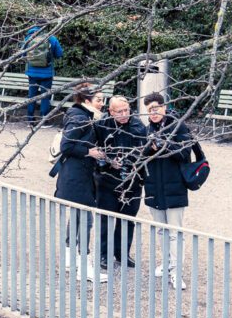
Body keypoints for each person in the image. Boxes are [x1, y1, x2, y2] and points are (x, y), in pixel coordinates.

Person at [54, 83, 108, 282]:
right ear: (87, 100)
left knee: (78, 216)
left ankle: (71, 260)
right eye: (99, 100)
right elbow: (66, 146)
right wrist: (89, 152)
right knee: (86, 219)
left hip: (75, 176)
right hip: (78, 176)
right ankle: (84, 268)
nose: (102, 104)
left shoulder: (79, 115)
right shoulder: (80, 117)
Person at [142, 92, 195, 289]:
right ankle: (167, 264)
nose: (153, 113)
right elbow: (141, 156)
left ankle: (176, 271)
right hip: (154, 186)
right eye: (149, 110)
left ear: (164, 107)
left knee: (175, 232)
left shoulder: (178, 126)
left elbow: (185, 153)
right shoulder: (146, 130)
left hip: (174, 187)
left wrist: (163, 145)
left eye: (156, 109)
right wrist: (149, 147)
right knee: (161, 232)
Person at [93, 96, 146, 269]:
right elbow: (94, 149)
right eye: (120, 111)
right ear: (110, 111)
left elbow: (143, 152)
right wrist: (108, 160)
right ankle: (103, 254)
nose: (124, 114)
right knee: (106, 219)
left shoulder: (138, 126)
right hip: (107, 180)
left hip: (132, 181)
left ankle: (122, 253)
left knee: (128, 219)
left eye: (127, 110)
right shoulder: (101, 125)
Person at [22, 18, 64, 127]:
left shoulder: (29, 37)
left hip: (31, 72)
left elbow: (23, 54)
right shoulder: (51, 38)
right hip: (47, 73)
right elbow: (59, 54)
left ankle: (30, 121)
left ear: (35, 25)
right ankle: (44, 121)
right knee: (45, 96)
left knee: (32, 96)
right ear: (47, 26)